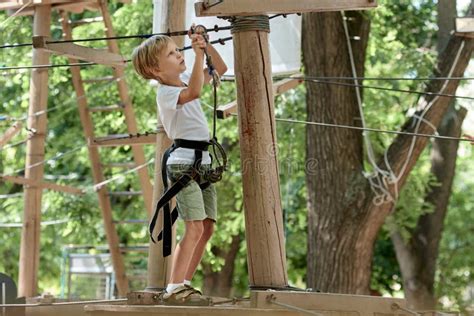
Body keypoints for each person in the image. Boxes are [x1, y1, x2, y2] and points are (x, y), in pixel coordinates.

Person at [131, 27, 227, 304]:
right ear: (155, 70)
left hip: (202, 161)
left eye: (177, 50)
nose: (179, 55)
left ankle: (184, 283)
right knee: (194, 228)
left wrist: (205, 46)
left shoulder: (185, 78)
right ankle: (174, 288)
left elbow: (220, 67)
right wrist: (197, 54)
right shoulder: (165, 92)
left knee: (207, 227)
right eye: (172, 54)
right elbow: (196, 92)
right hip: (183, 164)